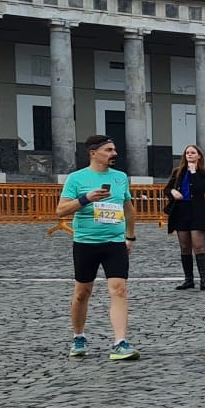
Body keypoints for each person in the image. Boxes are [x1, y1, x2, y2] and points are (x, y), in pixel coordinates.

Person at [58, 135, 138, 360]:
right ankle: (78, 336)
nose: (114, 154)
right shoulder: (76, 179)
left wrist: (130, 236)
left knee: (119, 289)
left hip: (114, 242)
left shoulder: (121, 177)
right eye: (109, 150)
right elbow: (60, 211)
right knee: (83, 293)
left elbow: (128, 208)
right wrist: (86, 198)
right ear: (94, 153)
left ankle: (120, 343)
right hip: (86, 243)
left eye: (114, 149)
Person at [164, 144, 205, 291]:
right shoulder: (177, 172)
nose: (190, 155)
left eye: (193, 153)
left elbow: (199, 189)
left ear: (199, 156)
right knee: (185, 246)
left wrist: (193, 172)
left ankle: (204, 280)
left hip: (197, 212)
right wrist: (172, 191)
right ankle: (188, 280)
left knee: (198, 246)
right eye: (187, 153)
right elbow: (167, 188)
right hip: (181, 211)